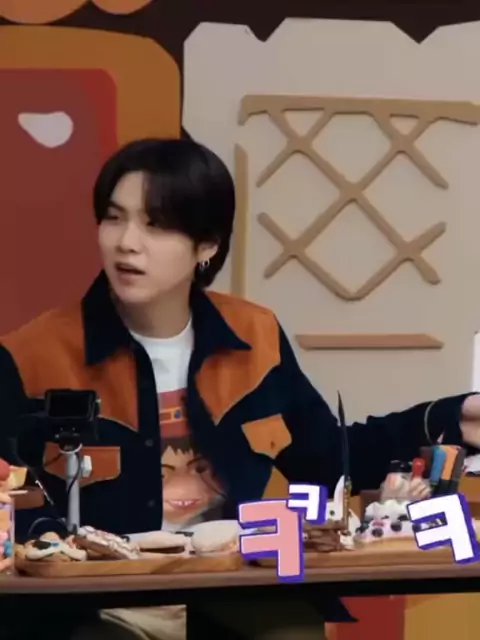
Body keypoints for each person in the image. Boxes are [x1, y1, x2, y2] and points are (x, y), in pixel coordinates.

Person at [1, 137, 480, 640]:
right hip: (98, 604)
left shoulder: (256, 337)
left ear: (207, 246)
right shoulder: (32, 355)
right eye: (114, 218)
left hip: (231, 586)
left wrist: (454, 418)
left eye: (156, 225)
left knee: (293, 633)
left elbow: (329, 462)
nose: (126, 242)